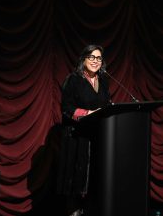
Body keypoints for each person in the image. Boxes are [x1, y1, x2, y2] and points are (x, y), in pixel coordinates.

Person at [57, 44, 111, 216]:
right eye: (92, 57)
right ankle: (73, 211)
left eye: (99, 58)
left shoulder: (103, 81)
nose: (95, 61)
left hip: (97, 137)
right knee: (76, 179)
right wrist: (88, 113)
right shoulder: (73, 80)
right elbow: (67, 108)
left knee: (94, 180)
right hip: (77, 138)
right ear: (84, 59)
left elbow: (106, 105)